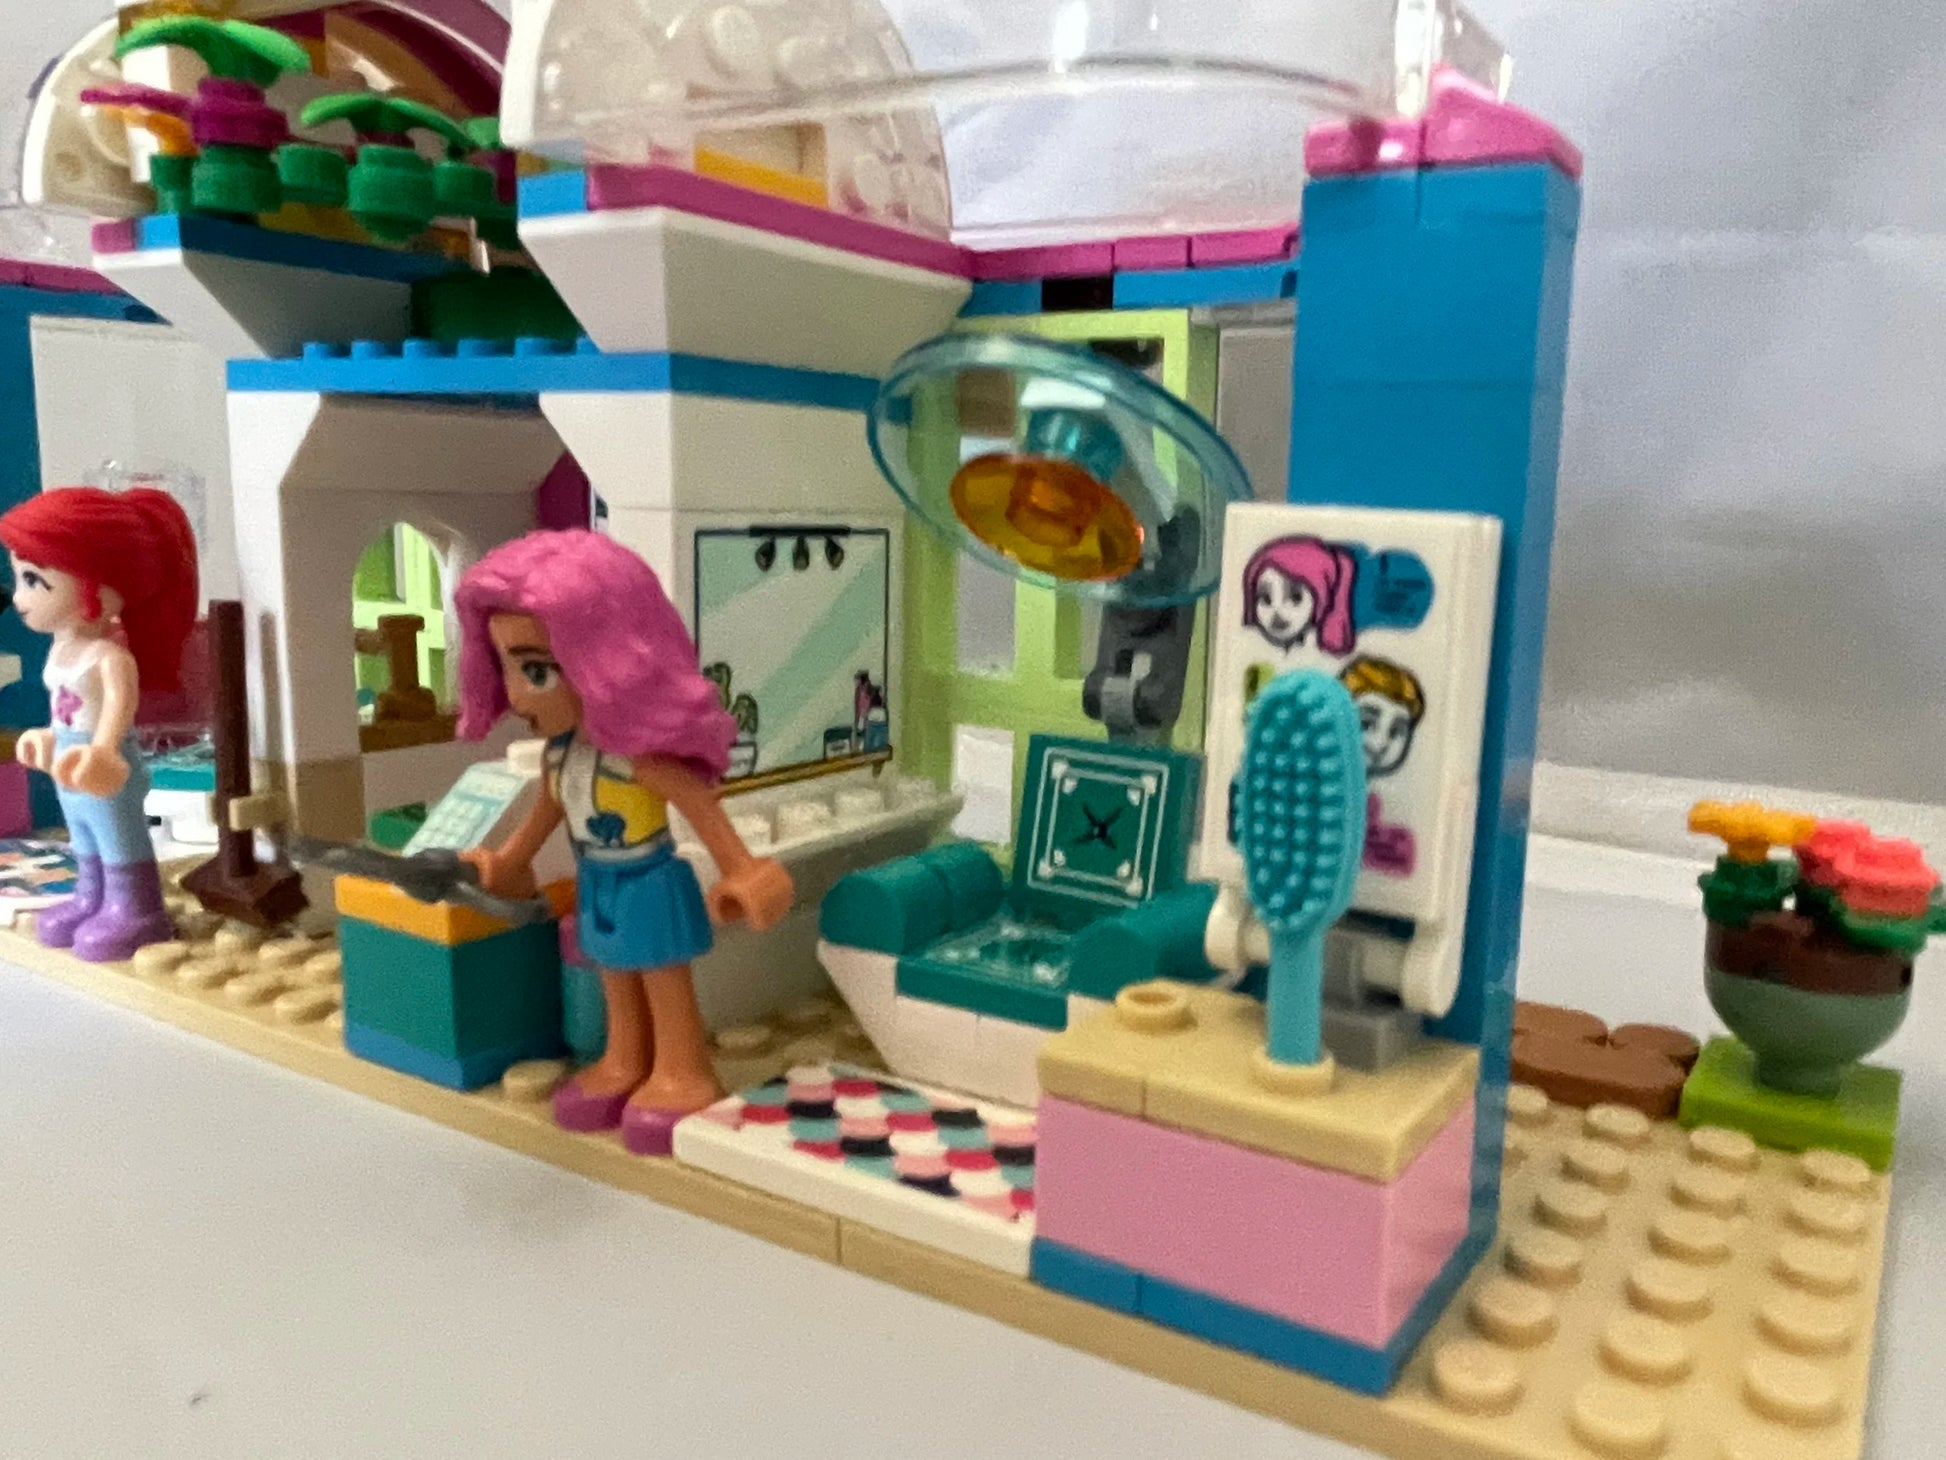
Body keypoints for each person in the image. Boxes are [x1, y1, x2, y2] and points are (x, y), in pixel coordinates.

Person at [454, 530, 793, 1155]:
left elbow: (704, 811)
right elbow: (543, 819)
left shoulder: (641, 761)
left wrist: (743, 870)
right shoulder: (561, 758)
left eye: (537, 671)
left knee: (662, 977)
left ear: (604, 664)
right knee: (614, 974)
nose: (518, 695)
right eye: (507, 669)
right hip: (598, 880)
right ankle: (625, 1059)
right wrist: (505, 863)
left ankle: (683, 1069)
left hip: (648, 880)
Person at [2, 486, 198, 961]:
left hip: (102, 762)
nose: (19, 598)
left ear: (98, 583)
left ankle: (137, 909)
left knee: (116, 833)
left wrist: (106, 751)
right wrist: (47, 736)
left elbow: (117, 710)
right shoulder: (62, 648)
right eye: (19, 578)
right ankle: (91, 898)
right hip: (70, 759)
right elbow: (65, 707)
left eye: (34, 581)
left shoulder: (109, 657)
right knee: (82, 832)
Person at [1240, 534, 1358, 655]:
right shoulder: (1247, 642)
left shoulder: (1317, 650)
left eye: (1296, 598)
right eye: (1266, 599)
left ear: (1320, 601)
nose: (1278, 612)